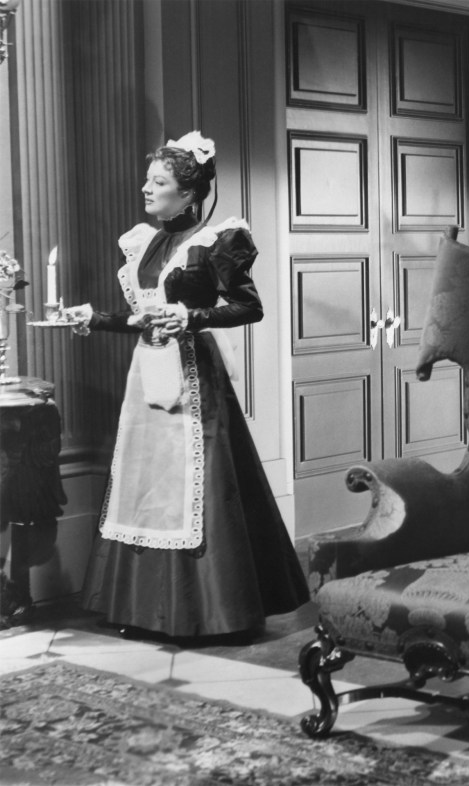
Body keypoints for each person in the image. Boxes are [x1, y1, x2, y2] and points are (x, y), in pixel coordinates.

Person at [66, 131, 309, 642]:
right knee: (145, 483)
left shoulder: (216, 240)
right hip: (147, 376)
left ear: (189, 193)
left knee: (199, 485)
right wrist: (96, 319)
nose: (146, 189)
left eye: (158, 182)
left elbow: (249, 307)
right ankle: (142, 609)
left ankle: (209, 613)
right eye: (148, 180)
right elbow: (143, 317)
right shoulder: (144, 242)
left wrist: (192, 317)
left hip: (196, 378)